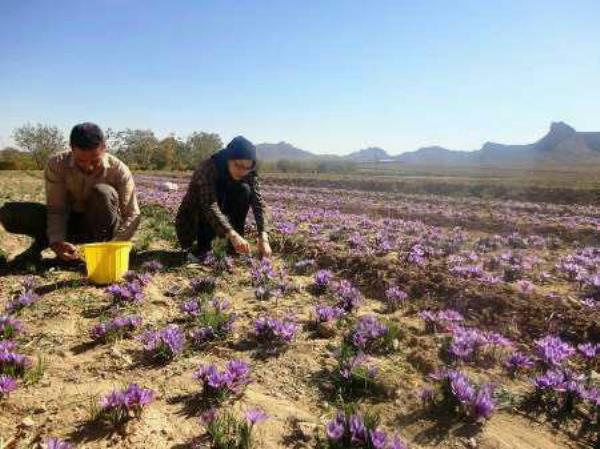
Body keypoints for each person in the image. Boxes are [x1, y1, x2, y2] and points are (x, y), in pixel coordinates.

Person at [0, 122, 140, 266]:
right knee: (10, 213)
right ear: (71, 148)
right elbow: (56, 210)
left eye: (95, 160)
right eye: (81, 161)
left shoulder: (118, 170)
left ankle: (98, 249)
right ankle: (46, 243)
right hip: (70, 222)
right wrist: (56, 241)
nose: (88, 166)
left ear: (104, 147)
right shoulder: (57, 164)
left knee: (102, 192)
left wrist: (114, 246)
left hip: (102, 225)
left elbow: (132, 213)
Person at [176, 136, 272, 259]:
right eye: (238, 165)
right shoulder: (208, 168)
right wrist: (232, 235)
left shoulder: (249, 172)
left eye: (247, 167)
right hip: (193, 224)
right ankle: (202, 247)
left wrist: (263, 237)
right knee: (214, 196)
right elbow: (210, 205)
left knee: (245, 190)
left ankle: (233, 246)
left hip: (221, 225)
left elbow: (258, 204)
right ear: (228, 159)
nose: (242, 171)